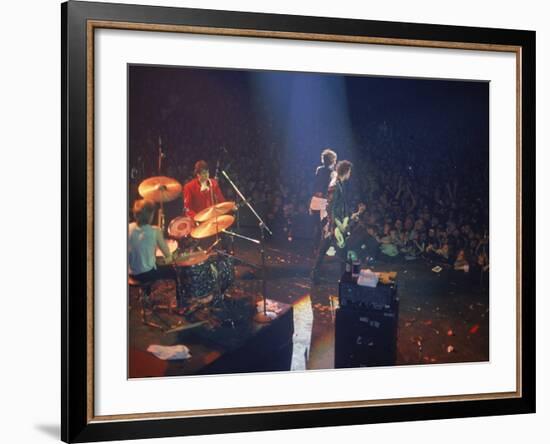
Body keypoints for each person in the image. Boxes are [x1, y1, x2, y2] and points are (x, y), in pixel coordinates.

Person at [310, 160, 353, 284]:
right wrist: (332, 226)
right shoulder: (335, 185)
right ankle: (341, 278)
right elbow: (330, 206)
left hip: (336, 223)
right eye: (349, 171)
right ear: (346, 171)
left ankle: (315, 275)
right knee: (335, 250)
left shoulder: (340, 184)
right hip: (333, 224)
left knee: (325, 250)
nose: (350, 173)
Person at [128, 199, 174, 283]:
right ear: (151, 216)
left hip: (130, 273)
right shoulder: (155, 231)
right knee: (174, 270)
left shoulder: (129, 227)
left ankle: (145, 293)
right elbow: (167, 254)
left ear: (135, 214)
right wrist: (168, 259)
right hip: (148, 275)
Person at [309, 148, 337, 247]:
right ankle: (321, 248)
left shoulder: (319, 170)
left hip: (315, 200)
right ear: (333, 160)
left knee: (317, 225)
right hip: (324, 202)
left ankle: (315, 247)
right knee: (324, 227)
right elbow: (331, 189)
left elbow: (315, 185)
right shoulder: (333, 173)